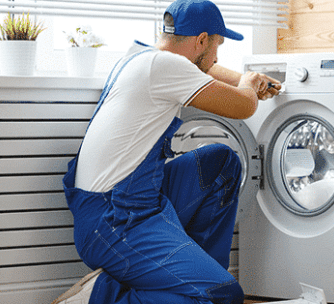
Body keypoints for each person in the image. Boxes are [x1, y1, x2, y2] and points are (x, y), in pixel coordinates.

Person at [52, 0, 281, 303]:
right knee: (221, 295)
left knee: (221, 164)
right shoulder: (168, 67)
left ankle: (196, 272)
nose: (216, 56)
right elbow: (243, 106)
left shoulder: (141, 57)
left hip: (130, 202)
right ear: (201, 40)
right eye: (217, 45)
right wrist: (249, 83)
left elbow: (208, 69)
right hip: (115, 223)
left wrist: (243, 80)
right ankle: (101, 296)